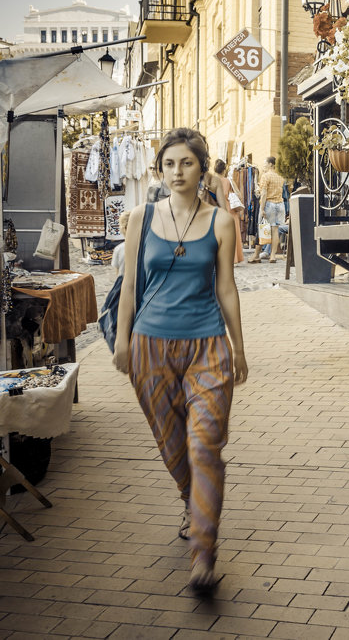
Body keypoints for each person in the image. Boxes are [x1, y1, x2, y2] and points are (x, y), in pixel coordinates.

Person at [112, 127, 249, 595]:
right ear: (159, 169)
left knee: (204, 445)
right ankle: (192, 504)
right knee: (173, 447)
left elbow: (226, 287)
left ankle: (203, 555)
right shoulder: (140, 218)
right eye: (169, 164)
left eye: (186, 163)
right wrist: (121, 341)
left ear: (202, 167)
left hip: (207, 344)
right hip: (149, 345)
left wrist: (239, 347)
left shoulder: (221, 222)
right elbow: (129, 286)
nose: (177, 172)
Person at [209, 160, 245, 264]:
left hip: (216, 210)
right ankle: (234, 259)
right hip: (229, 210)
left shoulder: (211, 181)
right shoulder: (229, 181)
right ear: (224, 170)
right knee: (233, 234)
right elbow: (239, 196)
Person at [249, 156, 284, 264]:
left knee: (262, 229)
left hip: (269, 204)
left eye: (265, 163)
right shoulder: (280, 177)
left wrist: (262, 208)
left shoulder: (265, 176)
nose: (264, 165)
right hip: (280, 204)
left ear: (270, 164)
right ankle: (272, 256)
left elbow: (264, 193)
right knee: (275, 230)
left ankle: (256, 256)